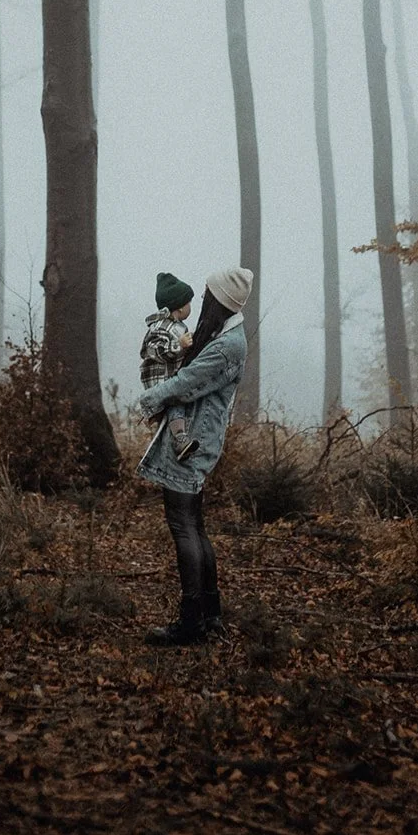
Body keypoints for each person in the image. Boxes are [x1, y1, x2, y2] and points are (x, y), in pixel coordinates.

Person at [136, 266, 253, 646]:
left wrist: (150, 398)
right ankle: (209, 614)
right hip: (197, 440)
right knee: (194, 526)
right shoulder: (224, 336)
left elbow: (188, 383)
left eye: (206, 296)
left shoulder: (227, 346)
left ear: (220, 302)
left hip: (193, 445)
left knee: (183, 525)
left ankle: (191, 623)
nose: (201, 302)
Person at [139, 271, 199, 461]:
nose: (191, 307)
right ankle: (180, 440)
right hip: (160, 381)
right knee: (175, 404)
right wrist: (178, 345)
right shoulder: (160, 328)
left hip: (170, 378)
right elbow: (153, 351)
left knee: (177, 404)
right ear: (179, 307)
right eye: (188, 303)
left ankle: (175, 442)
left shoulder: (178, 327)